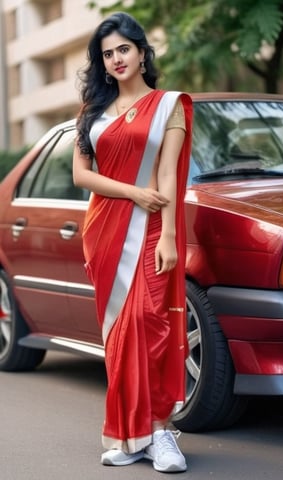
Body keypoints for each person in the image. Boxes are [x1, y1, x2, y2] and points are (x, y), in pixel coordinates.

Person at [73, 11, 193, 473]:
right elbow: (84, 175)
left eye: (124, 48)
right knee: (121, 336)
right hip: (104, 233)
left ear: (142, 52)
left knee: (151, 320)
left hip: (151, 231)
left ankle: (161, 432)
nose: (117, 58)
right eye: (108, 53)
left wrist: (169, 236)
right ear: (102, 64)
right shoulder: (92, 114)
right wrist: (132, 192)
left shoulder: (170, 106)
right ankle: (130, 436)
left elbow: (166, 175)